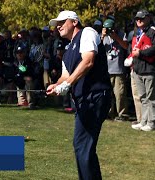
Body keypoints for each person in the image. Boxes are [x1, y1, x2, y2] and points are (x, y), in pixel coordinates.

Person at [47, 10, 111, 179]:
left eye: (62, 22)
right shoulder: (67, 51)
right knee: (82, 145)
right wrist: (56, 85)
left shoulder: (87, 33)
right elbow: (65, 76)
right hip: (83, 100)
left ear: (74, 22)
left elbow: (88, 61)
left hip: (95, 96)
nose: (58, 26)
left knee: (83, 145)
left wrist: (67, 84)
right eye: (56, 24)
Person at [130, 10, 155, 131]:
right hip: (138, 69)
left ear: (148, 18)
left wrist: (140, 53)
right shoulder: (137, 32)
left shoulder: (153, 31)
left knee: (152, 98)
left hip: (150, 69)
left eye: (141, 18)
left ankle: (152, 123)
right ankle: (143, 121)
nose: (138, 21)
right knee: (143, 97)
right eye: (137, 19)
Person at [101, 18, 129, 121]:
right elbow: (97, 48)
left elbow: (126, 46)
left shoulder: (121, 34)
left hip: (118, 69)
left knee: (119, 93)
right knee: (108, 94)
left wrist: (116, 37)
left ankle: (122, 114)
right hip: (106, 69)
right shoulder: (103, 37)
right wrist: (103, 36)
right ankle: (108, 113)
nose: (109, 31)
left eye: (110, 29)